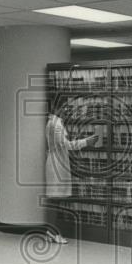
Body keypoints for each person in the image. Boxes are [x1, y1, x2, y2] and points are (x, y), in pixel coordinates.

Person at [44, 97, 100, 244]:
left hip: (56, 162)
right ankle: (52, 233)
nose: (67, 110)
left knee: (55, 200)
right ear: (57, 107)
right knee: (54, 200)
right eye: (65, 107)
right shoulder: (56, 124)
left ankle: (51, 232)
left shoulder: (54, 123)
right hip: (56, 164)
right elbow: (66, 145)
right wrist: (86, 142)